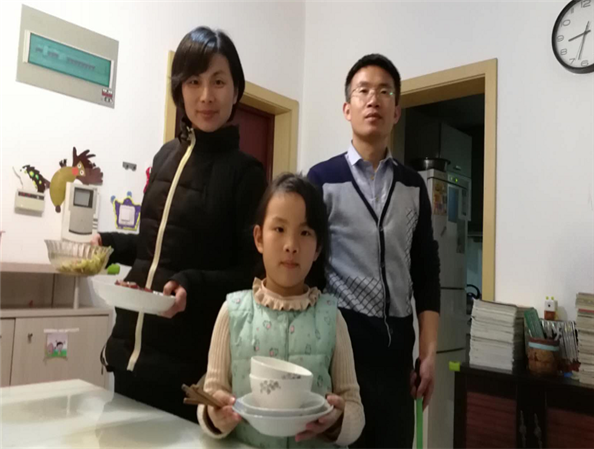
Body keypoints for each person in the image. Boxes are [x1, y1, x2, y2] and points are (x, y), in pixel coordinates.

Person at [92, 26, 267, 421]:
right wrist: (106, 244)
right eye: (193, 81)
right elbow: (154, 245)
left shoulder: (247, 174)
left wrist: (192, 283)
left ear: (236, 90)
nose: (205, 96)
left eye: (218, 82)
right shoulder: (165, 155)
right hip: (128, 354)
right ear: (179, 89)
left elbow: (253, 273)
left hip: (189, 369)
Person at [307, 54, 441, 448]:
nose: (373, 99)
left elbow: (426, 273)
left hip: (397, 360)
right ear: (347, 109)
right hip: (339, 354)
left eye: (385, 92)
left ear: (396, 111)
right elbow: (308, 272)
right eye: (363, 91)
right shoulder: (321, 180)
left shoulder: (413, 187)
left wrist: (428, 354)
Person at [197, 173, 364, 448]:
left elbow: (354, 408)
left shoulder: (331, 318)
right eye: (279, 229)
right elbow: (211, 394)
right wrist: (215, 417)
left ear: (318, 248)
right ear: (259, 238)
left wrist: (338, 421)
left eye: (305, 233)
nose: (291, 246)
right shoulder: (232, 312)